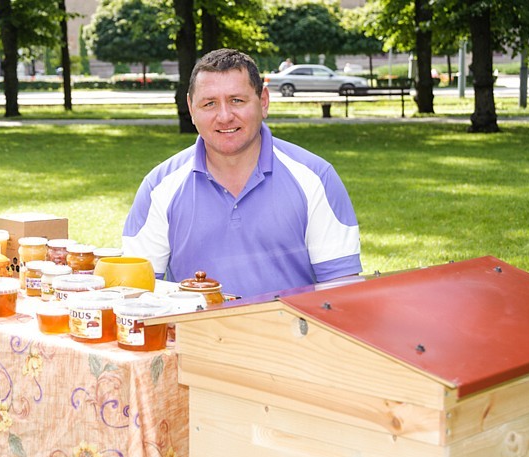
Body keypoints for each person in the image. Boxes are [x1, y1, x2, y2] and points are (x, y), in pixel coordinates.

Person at [122, 49, 362, 299]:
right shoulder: (159, 186)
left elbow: (340, 290)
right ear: (191, 109)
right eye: (209, 103)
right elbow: (137, 293)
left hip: (290, 335)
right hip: (193, 336)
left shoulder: (316, 178)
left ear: (264, 102)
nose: (224, 116)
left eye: (237, 100)